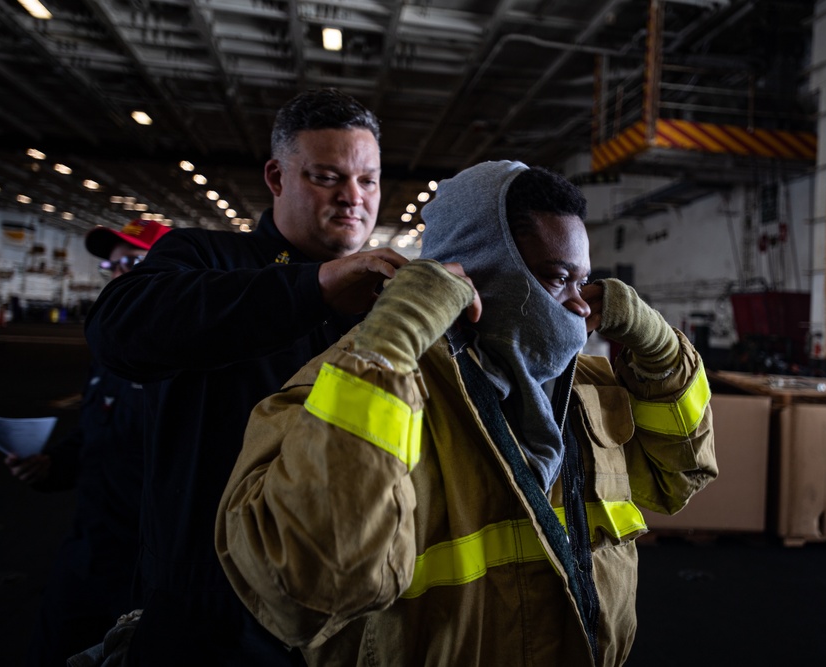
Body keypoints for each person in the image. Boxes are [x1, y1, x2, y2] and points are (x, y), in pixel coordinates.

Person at [216, 161, 718, 665]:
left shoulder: (587, 387)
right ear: (485, 274)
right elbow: (308, 591)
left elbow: (678, 478)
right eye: (557, 278)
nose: (581, 306)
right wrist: (391, 341)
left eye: (583, 280)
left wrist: (658, 348)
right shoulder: (354, 389)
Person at [82, 88, 406, 665]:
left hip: (349, 610)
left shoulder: (387, 299)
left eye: (369, 181)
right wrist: (315, 287)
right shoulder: (206, 259)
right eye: (327, 177)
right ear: (276, 178)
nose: (352, 198)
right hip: (212, 613)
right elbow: (118, 330)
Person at [5, 218, 171, 667]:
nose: (120, 275)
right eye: (113, 265)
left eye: (133, 262)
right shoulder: (114, 350)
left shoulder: (189, 358)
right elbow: (93, 436)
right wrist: (49, 465)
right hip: (87, 550)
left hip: (147, 567)